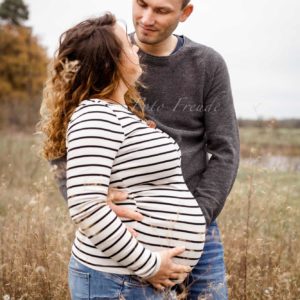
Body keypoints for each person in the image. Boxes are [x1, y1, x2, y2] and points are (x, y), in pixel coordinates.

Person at [47, 0, 240, 298]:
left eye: (161, 10)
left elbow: (226, 151)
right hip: (126, 237)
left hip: (197, 230)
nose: (146, 19)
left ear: (184, 14)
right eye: (141, 4)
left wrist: (194, 219)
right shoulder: (106, 56)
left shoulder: (206, 65)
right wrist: (95, 197)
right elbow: (61, 140)